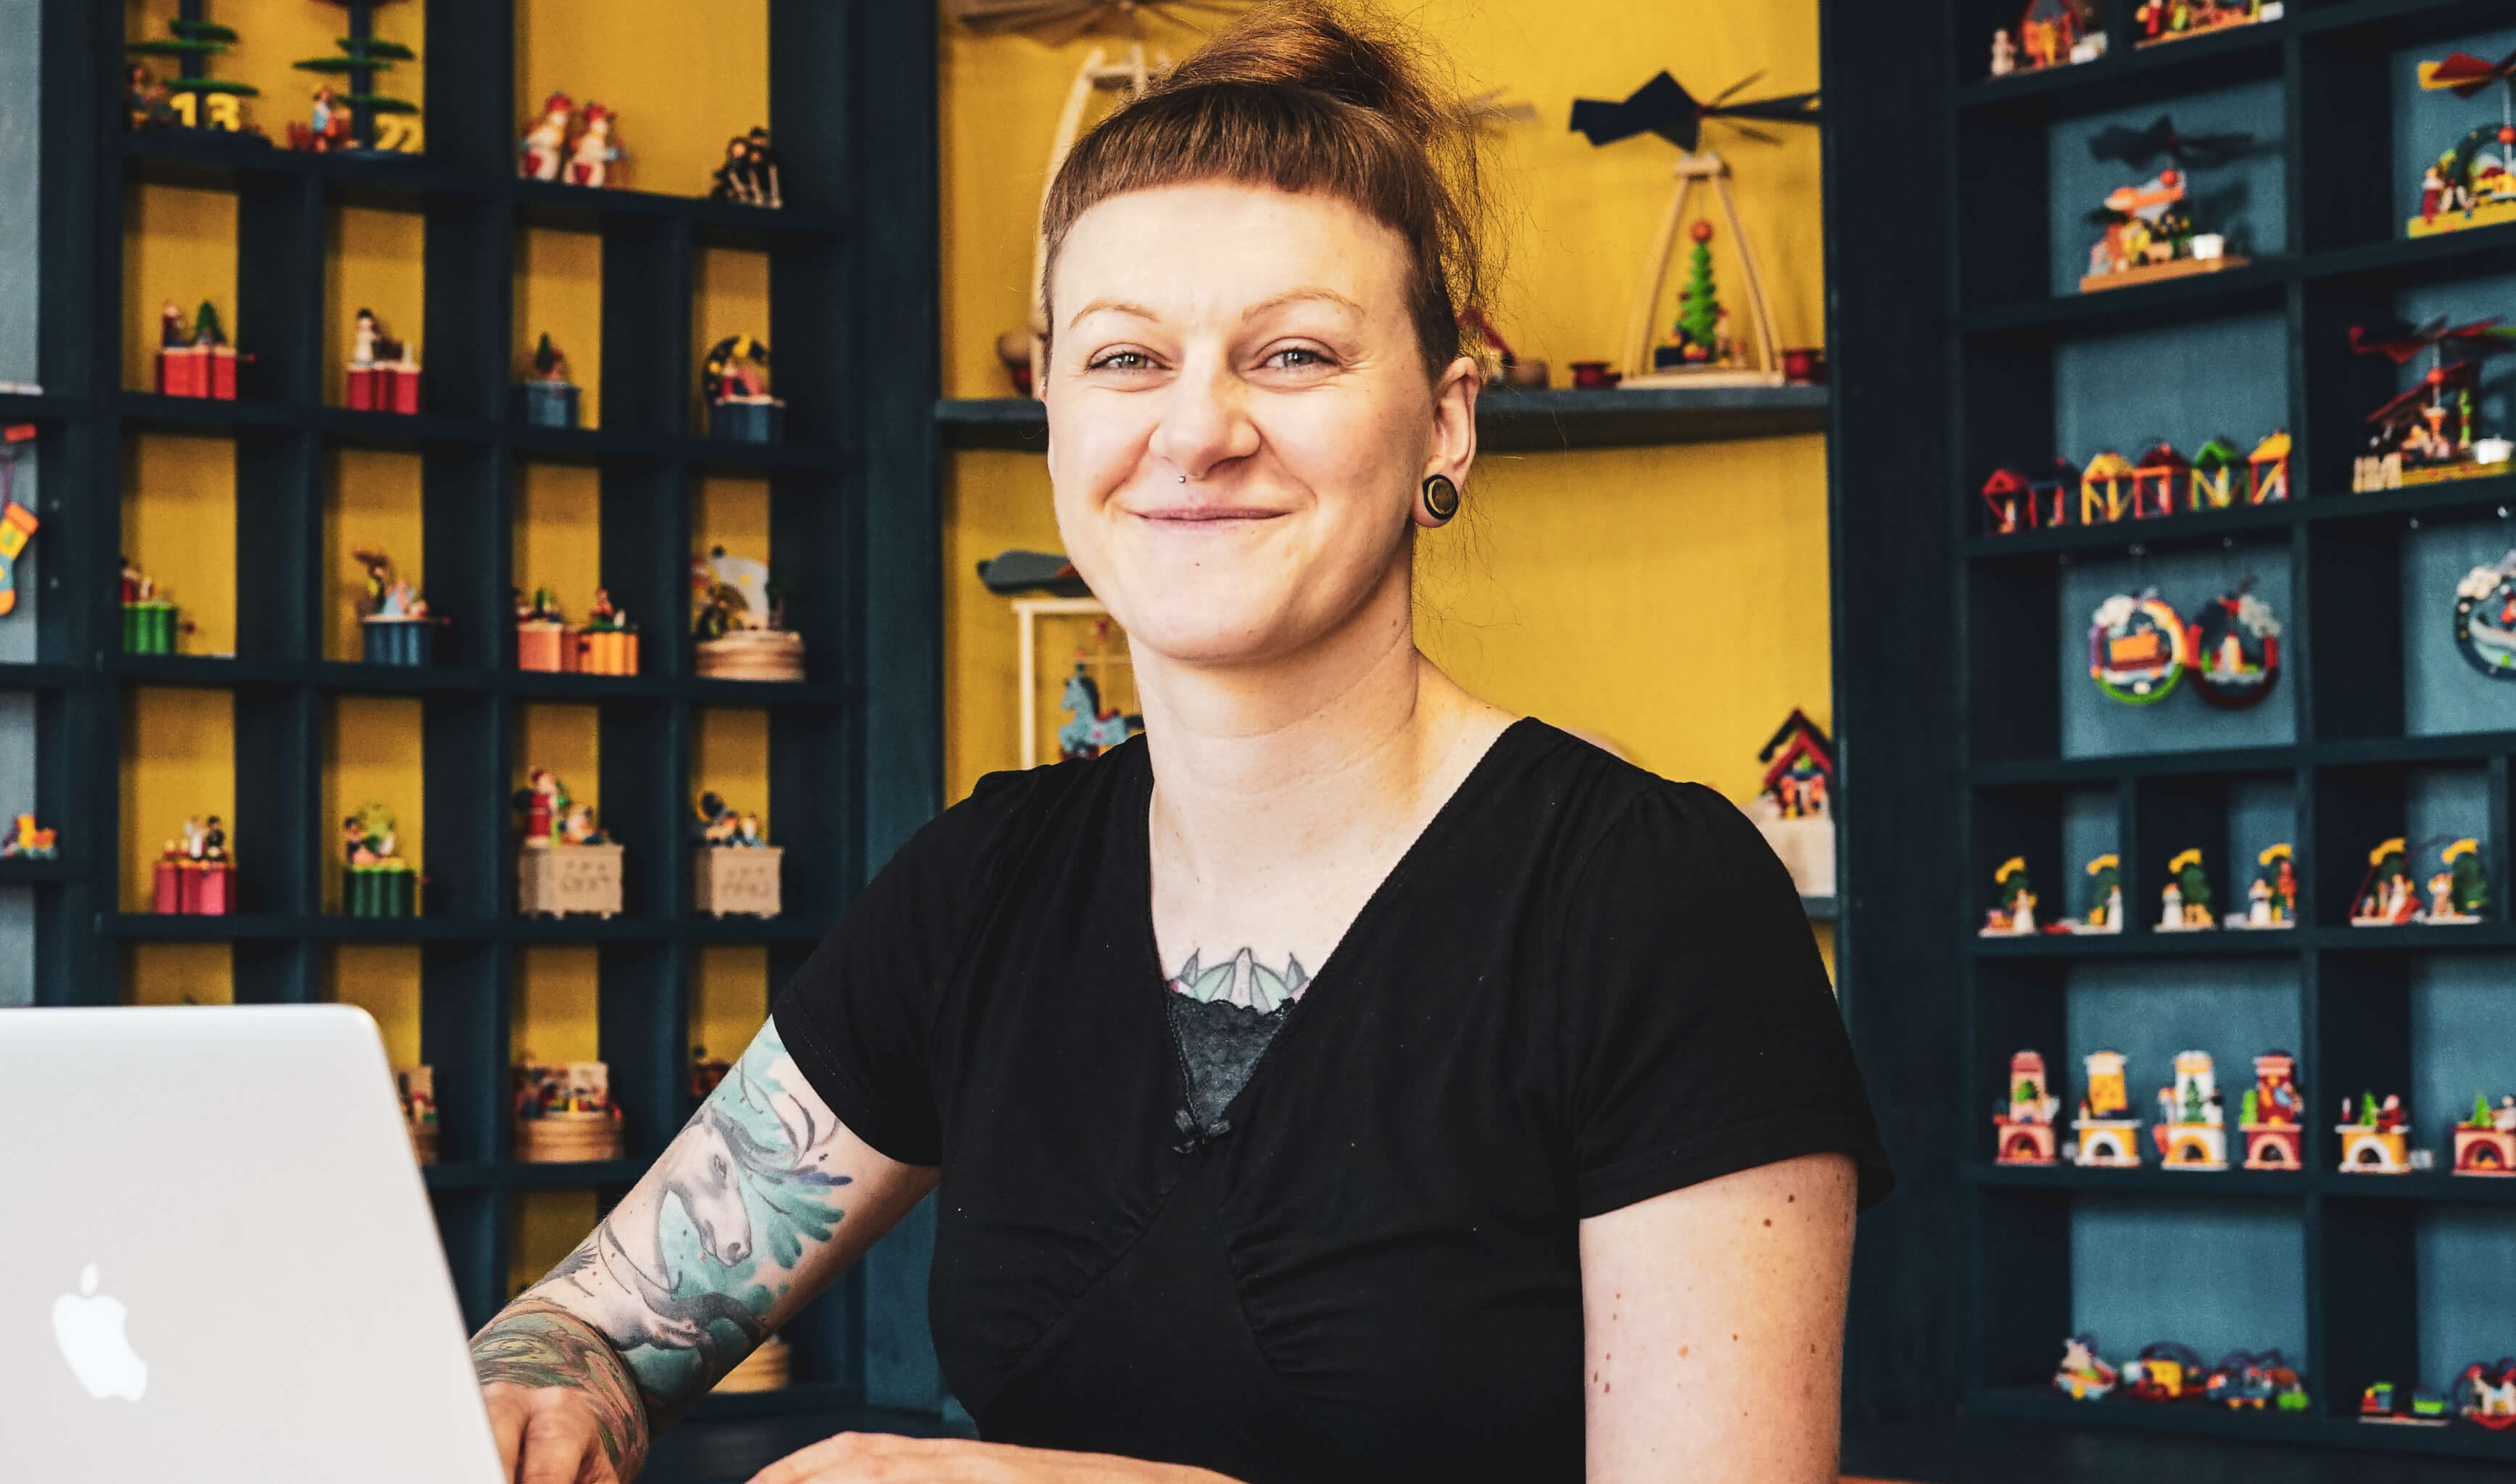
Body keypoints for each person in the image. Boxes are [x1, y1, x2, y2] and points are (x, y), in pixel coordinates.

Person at [468, 5, 1890, 1481]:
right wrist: (527, 1396)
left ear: (1445, 422)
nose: (1196, 430)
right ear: (1054, 418)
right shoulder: (984, 886)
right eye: (1126, 357)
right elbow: (594, 1327)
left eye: (1292, 353)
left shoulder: (1649, 900)